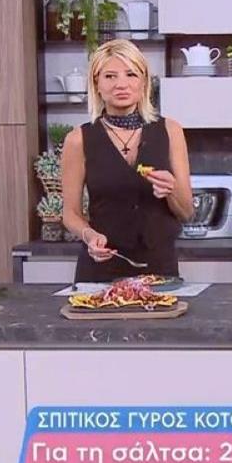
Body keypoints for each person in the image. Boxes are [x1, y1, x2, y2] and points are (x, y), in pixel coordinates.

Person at [60, 39, 194, 282]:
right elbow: (70, 213)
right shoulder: (78, 140)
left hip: (159, 269)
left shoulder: (171, 131)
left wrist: (171, 189)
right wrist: (89, 235)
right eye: (110, 76)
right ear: (96, 84)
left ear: (144, 82)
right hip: (101, 270)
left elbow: (186, 213)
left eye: (131, 74)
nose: (121, 84)